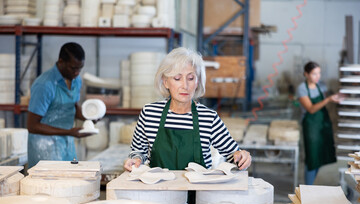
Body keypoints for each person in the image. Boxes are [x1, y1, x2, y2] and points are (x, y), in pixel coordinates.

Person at [123, 47, 252, 172]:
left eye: (191, 78)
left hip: (197, 192)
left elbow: (232, 155)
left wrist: (241, 156)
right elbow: (138, 151)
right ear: (165, 82)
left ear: (197, 82)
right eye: (177, 78)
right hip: (160, 190)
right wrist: (135, 160)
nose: (185, 85)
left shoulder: (208, 118)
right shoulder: (150, 114)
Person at [27, 42, 91, 168]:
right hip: (44, 147)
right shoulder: (44, 85)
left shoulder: (76, 80)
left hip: (66, 143)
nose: (77, 72)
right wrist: (69, 132)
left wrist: (89, 117)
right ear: (61, 62)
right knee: (49, 185)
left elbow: (72, 107)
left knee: (70, 182)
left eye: (80, 68)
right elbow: (32, 125)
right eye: (73, 68)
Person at [297, 61, 343, 185]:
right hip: (311, 126)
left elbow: (325, 101)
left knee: (320, 156)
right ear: (306, 74)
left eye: (319, 73)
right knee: (312, 157)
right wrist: (328, 99)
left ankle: (311, 185)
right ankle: (307, 188)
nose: (317, 76)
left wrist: (338, 98)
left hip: (323, 124)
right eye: (314, 74)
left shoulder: (321, 86)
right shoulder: (302, 88)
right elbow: (311, 109)